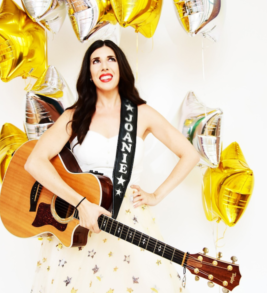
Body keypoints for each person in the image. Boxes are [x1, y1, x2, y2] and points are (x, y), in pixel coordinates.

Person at [25, 39, 200, 293]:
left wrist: (155, 195)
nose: (104, 66)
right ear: (89, 73)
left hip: (129, 218)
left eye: (111, 59)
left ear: (121, 68)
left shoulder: (141, 114)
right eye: (96, 61)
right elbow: (35, 162)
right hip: (81, 218)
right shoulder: (75, 116)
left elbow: (190, 154)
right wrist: (80, 204)